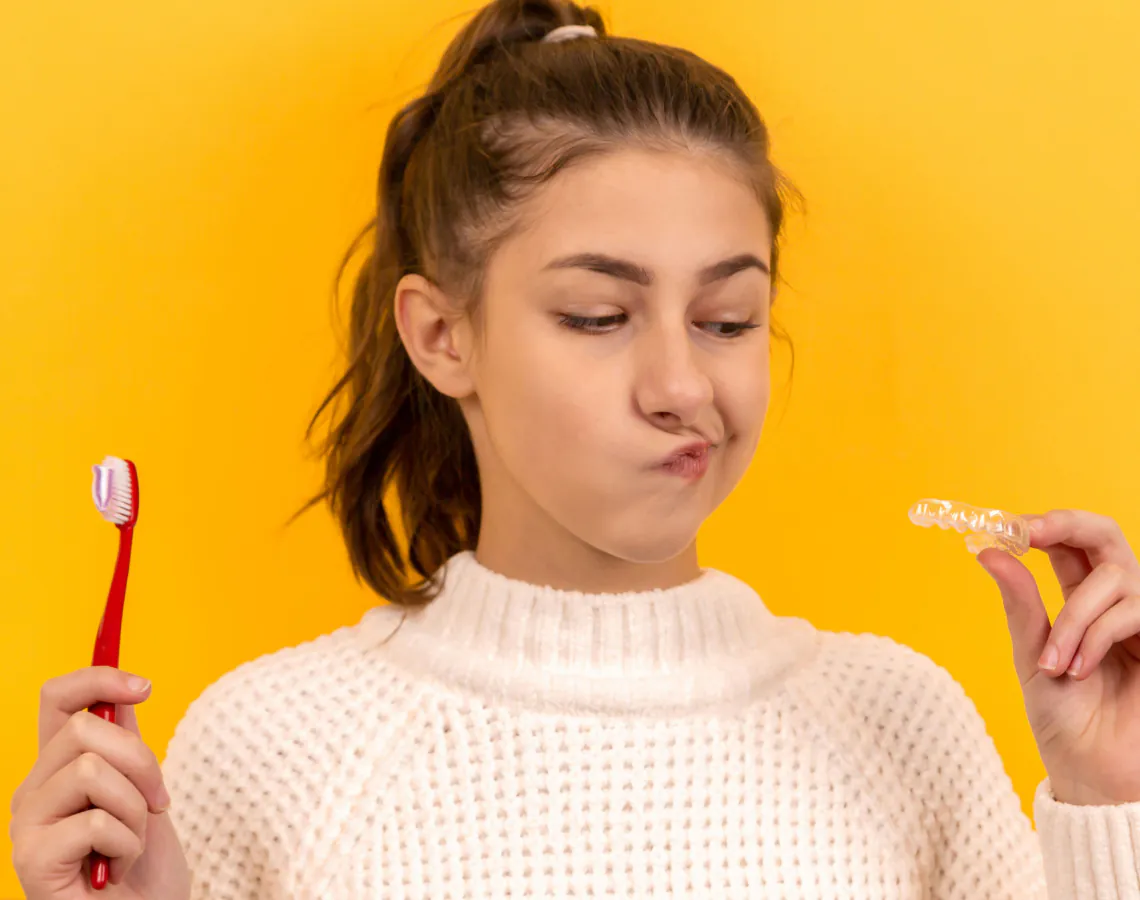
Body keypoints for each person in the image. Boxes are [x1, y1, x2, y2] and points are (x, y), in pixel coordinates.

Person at [11, 1, 1140, 897]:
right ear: (442, 336)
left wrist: (1108, 795)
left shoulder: (901, 724)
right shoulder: (272, 751)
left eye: (727, 320)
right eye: (599, 317)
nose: (684, 387)